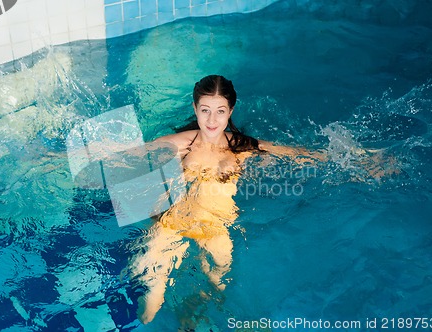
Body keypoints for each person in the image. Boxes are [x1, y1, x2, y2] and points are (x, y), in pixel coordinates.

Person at [128, 75, 393, 324]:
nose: (211, 119)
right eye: (205, 110)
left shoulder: (241, 145)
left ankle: (189, 310)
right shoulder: (182, 143)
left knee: (218, 285)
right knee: (152, 304)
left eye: (220, 111)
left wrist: (363, 163)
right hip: (172, 224)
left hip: (215, 226)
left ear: (230, 111)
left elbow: (299, 154)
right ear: (195, 108)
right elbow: (134, 154)